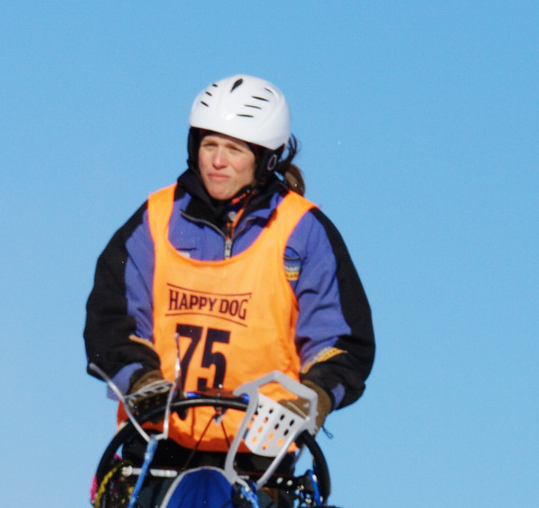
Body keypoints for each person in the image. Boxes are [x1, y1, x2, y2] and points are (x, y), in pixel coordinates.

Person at [84, 74, 375, 454]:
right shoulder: (155, 220)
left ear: (265, 159)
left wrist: (312, 397)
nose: (218, 162)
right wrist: (140, 380)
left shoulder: (302, 231)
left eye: (234, 149)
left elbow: (340, 343)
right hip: (156, 443)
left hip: (261, 454)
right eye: (209, 145)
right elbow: (111, 318)